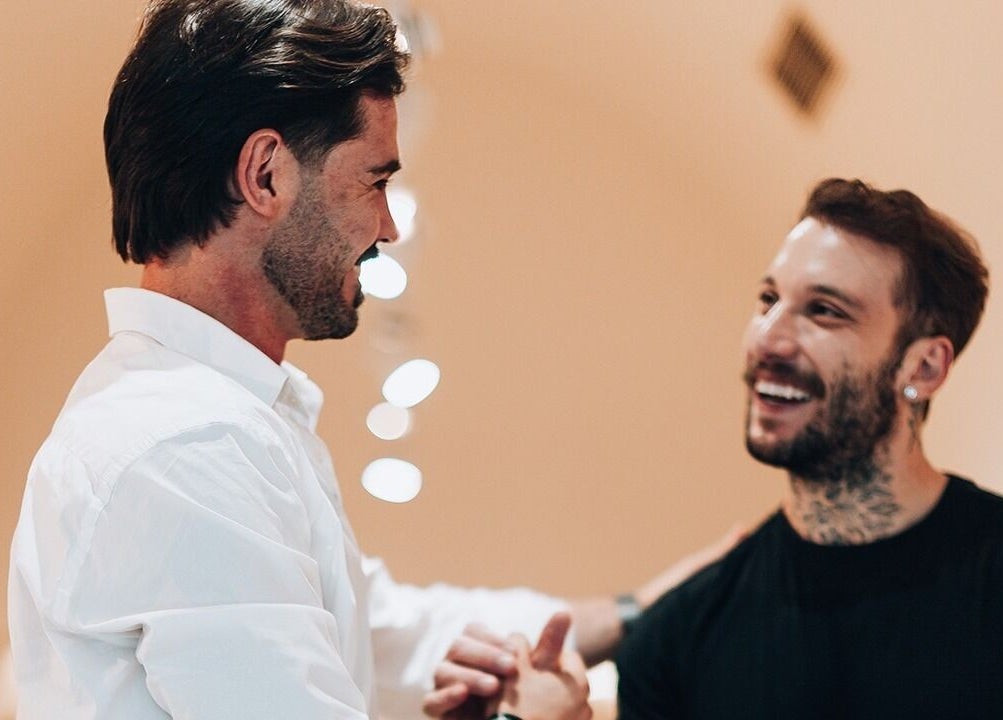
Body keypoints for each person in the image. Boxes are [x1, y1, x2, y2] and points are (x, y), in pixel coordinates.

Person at [6, 2, 736, 718]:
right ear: (265, 175)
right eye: (374, 182)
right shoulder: (187, 448)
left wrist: (646, 609)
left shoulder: (216, 421)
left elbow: (385, 631)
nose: (386, 225)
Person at [613, 178, 1003, 718]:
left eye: (824, 310)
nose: (768, 340)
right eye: (769, 299)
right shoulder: (673, 641)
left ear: (923, 367)